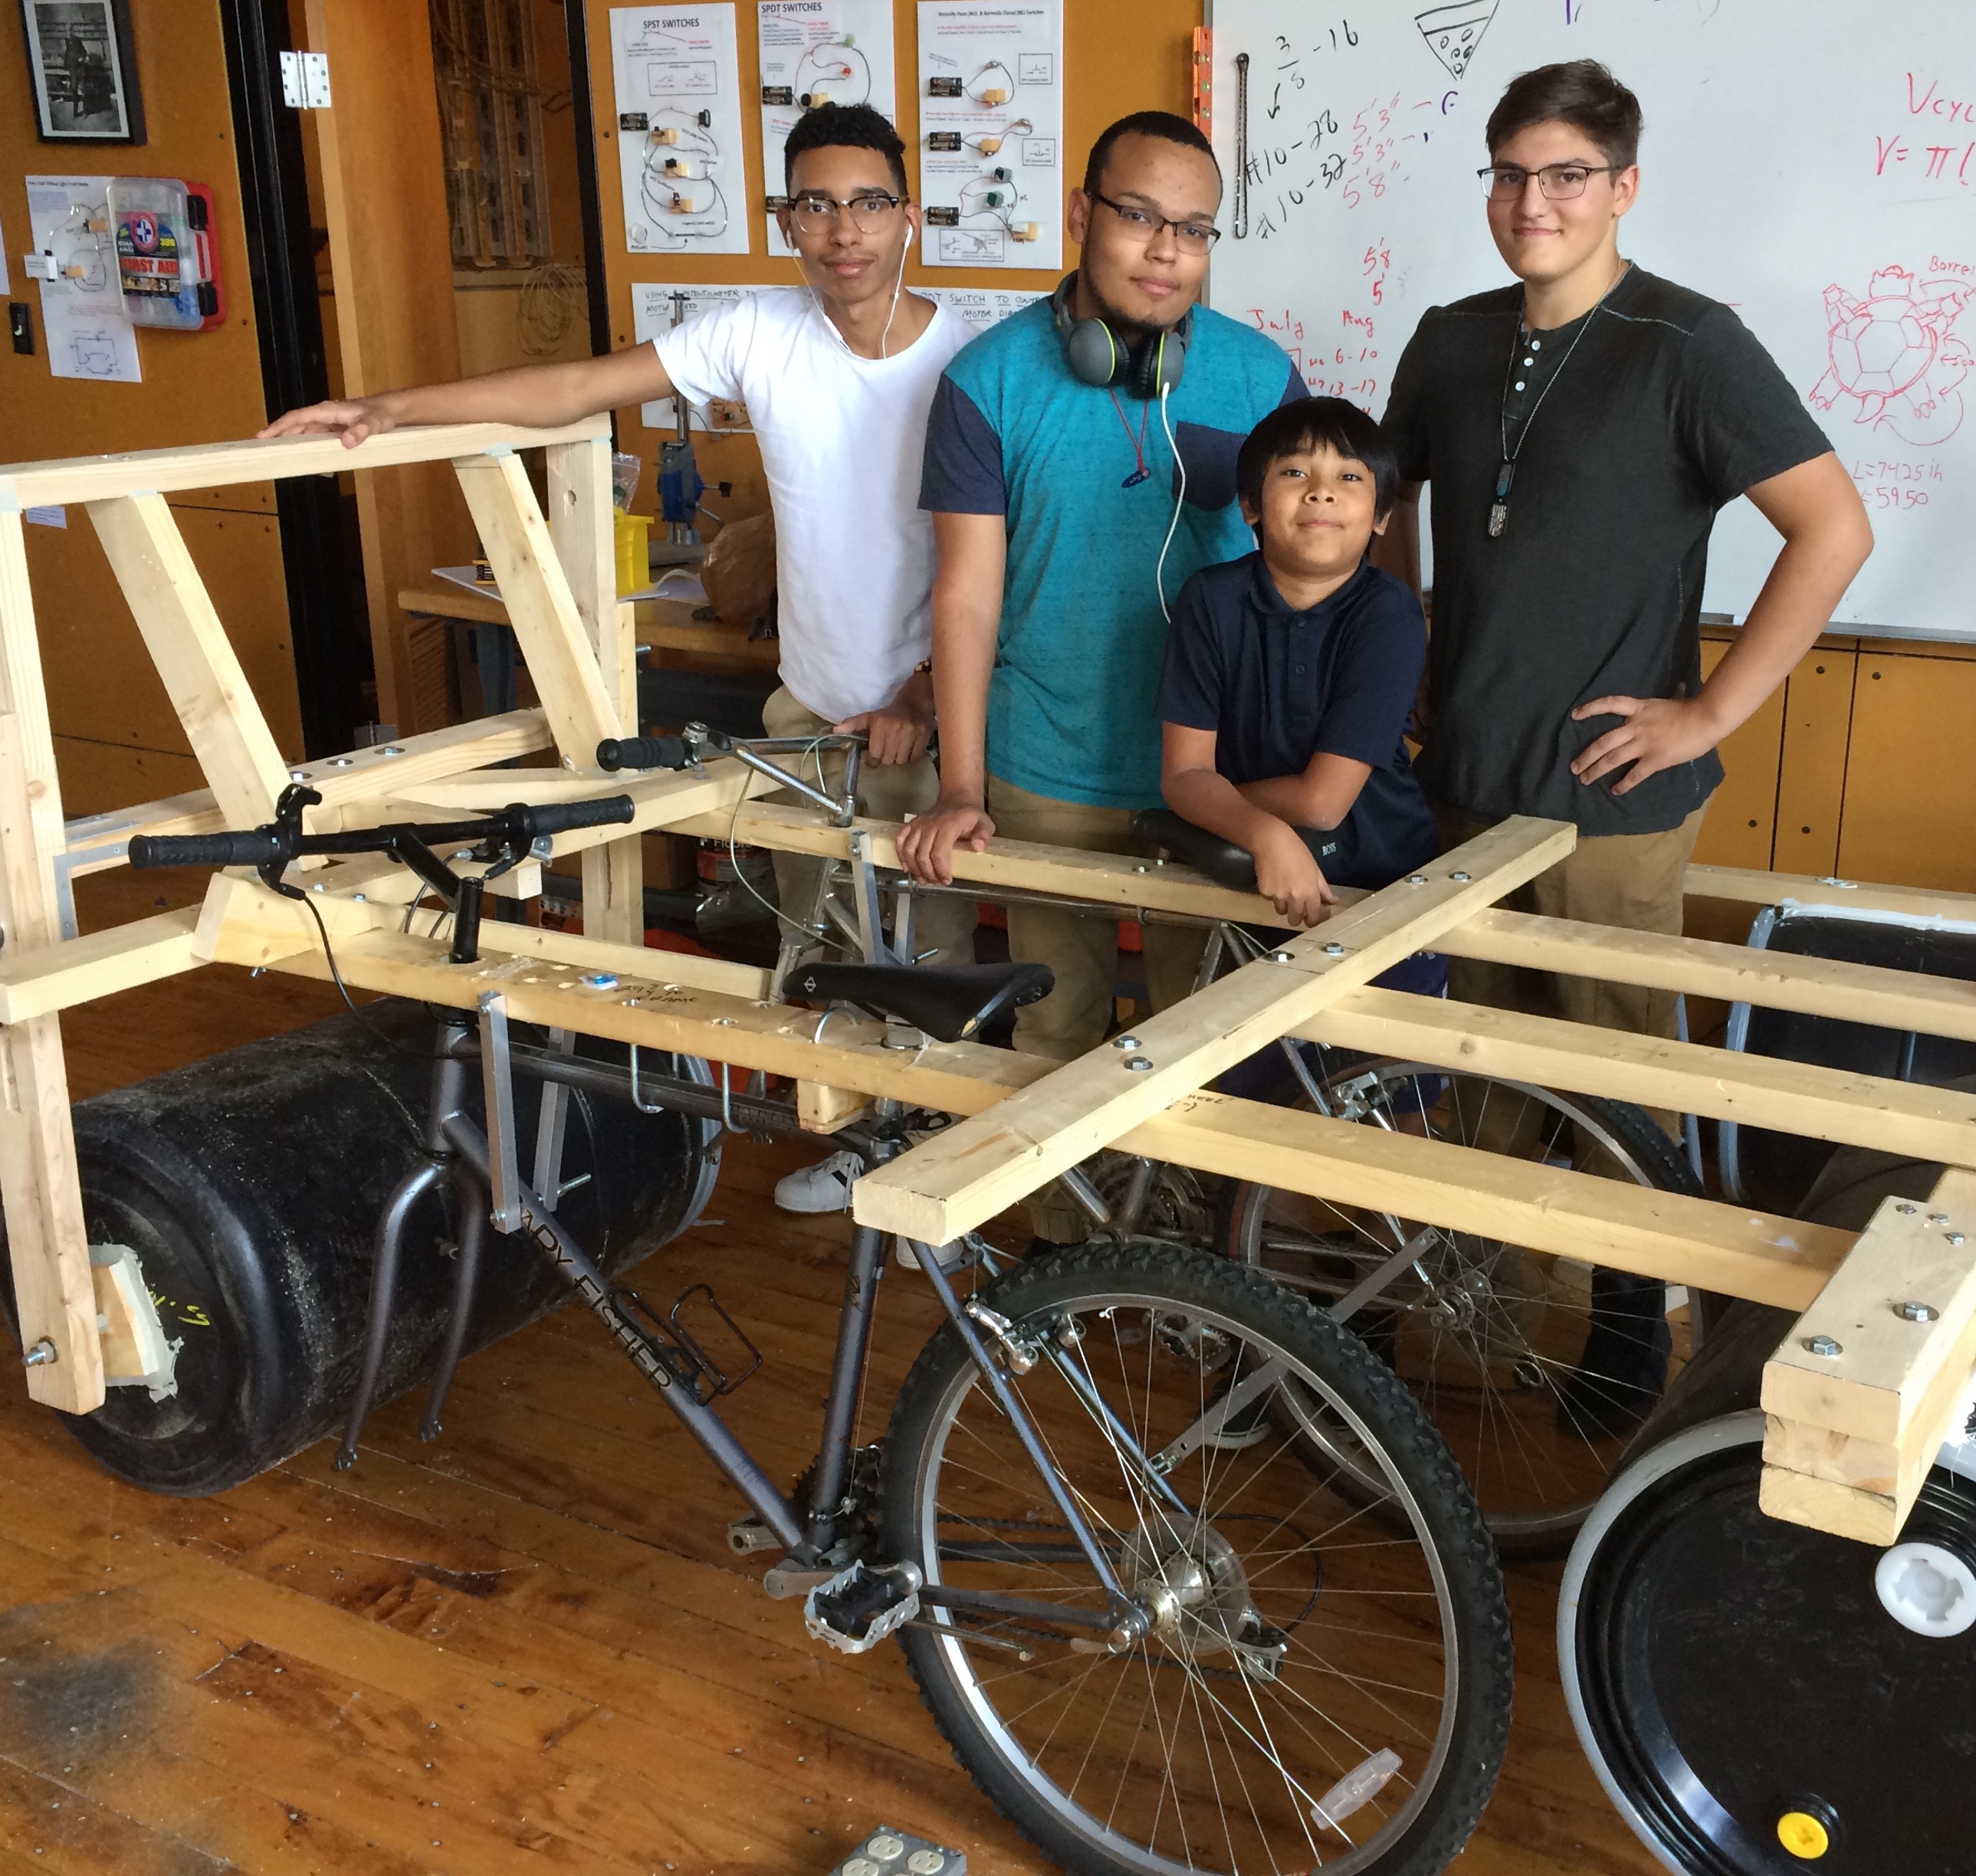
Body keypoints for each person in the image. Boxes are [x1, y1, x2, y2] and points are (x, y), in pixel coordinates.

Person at [258, 103, 979, 1218]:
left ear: (912, 218)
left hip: (921, 716)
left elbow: (998, 557)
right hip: (808, 711)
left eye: (870, 203)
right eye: (818, 205)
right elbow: (575, 389)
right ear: (786, 222)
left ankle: (935, 1157)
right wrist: (385, 409)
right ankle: (857, 1138)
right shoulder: (758, 332)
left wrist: (925, 696)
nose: (845, 230)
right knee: (821, 943)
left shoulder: (972, 358)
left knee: (929, 954)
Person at [1376, 60, 1872, 1436]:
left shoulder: (1686, 342)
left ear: (1621, 188)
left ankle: (1619, 1324)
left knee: (1613, 1070)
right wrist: (1405, 631)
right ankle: (1473, 1292)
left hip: (1612, 793)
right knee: (1481, 1057)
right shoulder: (1447, 335)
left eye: (1565, 175)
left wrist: (1706, 712)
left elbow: (1830, 529)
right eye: (1508, 173)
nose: (1531, 201)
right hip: (1464, 775)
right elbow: (1383, 496)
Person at [897, 111, 1305, 1243]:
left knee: (1203, 1031)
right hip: (1046, 763)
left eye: (1194, 229)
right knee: (1056, 1024)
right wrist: (964, 785)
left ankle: (1190, 1263)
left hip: (1211, 775)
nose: (1166, 250)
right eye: (1138, 217)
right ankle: (1068, 1273)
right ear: (1081, 215)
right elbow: (967, 595)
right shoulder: (987, 382)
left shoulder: (1260, 373)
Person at [1156, 395, 1439, 937]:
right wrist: (1265, 833)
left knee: (1375, 1022)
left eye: (1350, 477)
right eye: (1294, 471)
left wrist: (1211, 803)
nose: (1322, 490)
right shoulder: (1210, 600)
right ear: (1250, 505)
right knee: (1255, 1019)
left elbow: (1321, 802)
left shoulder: (1390, 610)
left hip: (1382, 881)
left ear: (1382, 517)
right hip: (1250, 873)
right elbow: (1184, 774)